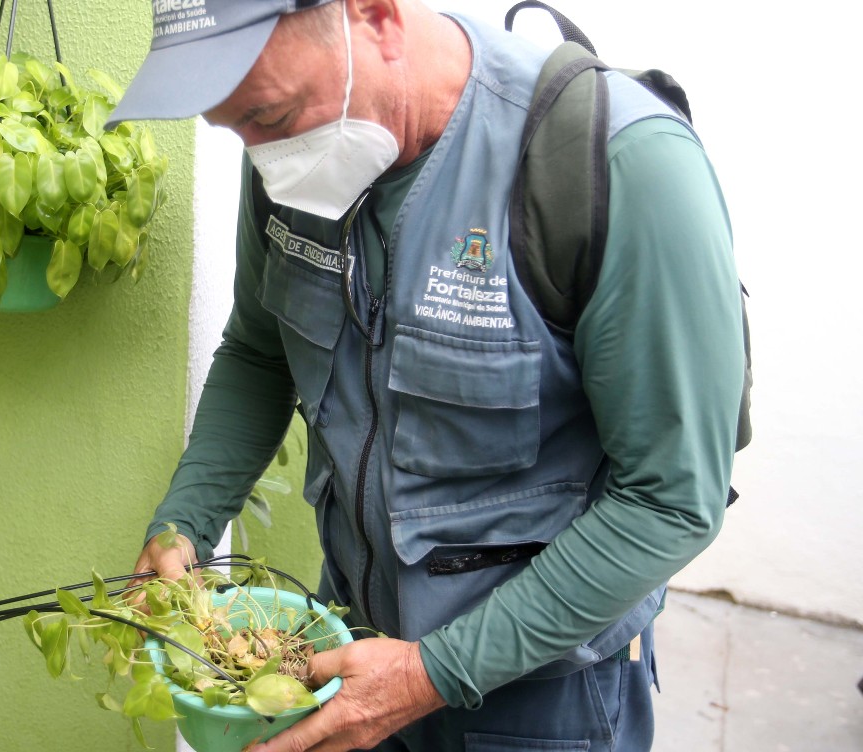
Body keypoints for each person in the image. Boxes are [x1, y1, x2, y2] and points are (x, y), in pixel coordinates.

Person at [110, 1, 746, 750]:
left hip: (541, 701)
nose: (261, 154)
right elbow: (259, 350)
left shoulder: (618, 163)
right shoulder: (295, 166)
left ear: (376, 18)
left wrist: (427, 675)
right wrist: (185, 521)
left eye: (271, 114)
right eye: (234, 127)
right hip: (349, 652)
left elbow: (669, 500)